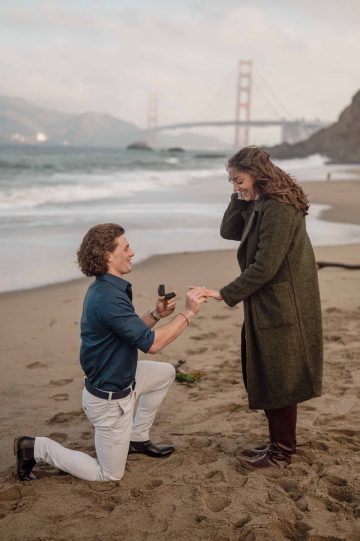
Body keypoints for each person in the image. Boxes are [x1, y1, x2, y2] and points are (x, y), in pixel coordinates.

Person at [15, 223, 207, 482]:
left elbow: (130, 331)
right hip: (109, 400)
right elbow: (152, 344)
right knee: (108, 475)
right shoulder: (107, 297)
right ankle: (35, 447)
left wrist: (156, 314)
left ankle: (137, 438)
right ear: (108, 255)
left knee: (165, 373)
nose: (132, 252)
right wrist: (189, 313)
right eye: (126, 248)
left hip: (122, 378)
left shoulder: (108, 288)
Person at [202, 146, 323, 468]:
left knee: (280, 376)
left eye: (238, 180)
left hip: (283, 302)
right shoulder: (262, 204)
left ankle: (282, 451)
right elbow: (229, 231)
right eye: (231, 181)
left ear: (257, 175)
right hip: (269, 299)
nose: (235, 186)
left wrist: (224, 293)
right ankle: (278, 445)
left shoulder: (279, 208)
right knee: (271, 371)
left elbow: (265, 266)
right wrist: (239, 196)